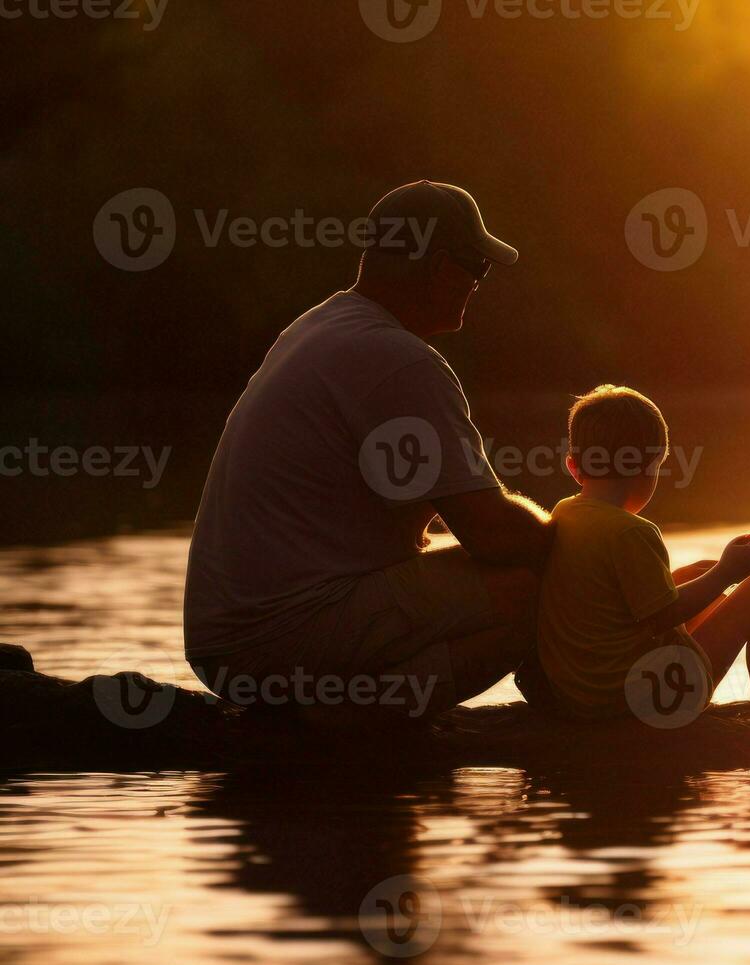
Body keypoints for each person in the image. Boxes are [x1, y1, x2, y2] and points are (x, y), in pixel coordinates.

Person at [182, 181, 550, 722]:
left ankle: (363, 714)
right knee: (537, 587)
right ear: (443, 267)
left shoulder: (321, 325)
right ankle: (358, 721)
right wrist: (582, 537)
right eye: (478, 268)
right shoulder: (399, 360)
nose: (477, 285)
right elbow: (492, 533)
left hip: (228, 641)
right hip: (274, 637)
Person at [524, 385, 750, 723]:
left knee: (699, 573)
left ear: (573, 466)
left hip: (583, 688)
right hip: (638, 699)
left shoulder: (565, 512)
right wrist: (727, 572)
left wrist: (717, 570)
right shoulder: (632, 532)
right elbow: (663, 616)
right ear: (649, 469)